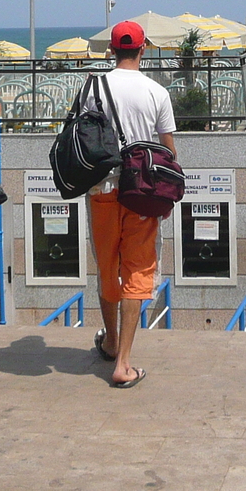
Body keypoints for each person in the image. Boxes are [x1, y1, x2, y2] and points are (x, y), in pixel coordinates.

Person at [89, 20, 175, 389]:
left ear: (111, 50)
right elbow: (168, 151)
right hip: (141, 191)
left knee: (107, 265)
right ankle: (123, 363)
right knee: (138, 271)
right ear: (143, 50)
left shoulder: (93, 88)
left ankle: (109, 341)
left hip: (102, 188)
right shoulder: (157, 92)